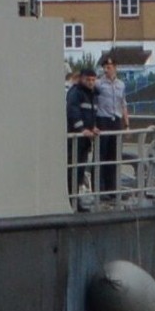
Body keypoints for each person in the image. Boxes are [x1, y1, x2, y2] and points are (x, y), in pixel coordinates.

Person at [95, 55, 129, 199]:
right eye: (105, 67)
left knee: (114, 156)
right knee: (102, 155)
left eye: (109, 67)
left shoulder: (120, 84)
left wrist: (126, 124)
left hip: (116, 120)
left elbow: (124, 104)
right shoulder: (98, 84)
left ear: (115, 68)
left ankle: (112, 188)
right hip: (103, 119)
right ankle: (100, 189)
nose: (107, 69)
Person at [66, 64, 99, 208]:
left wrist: (93, 127)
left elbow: (91, 113)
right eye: (88, 79)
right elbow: (73, 111)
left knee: (80, 168)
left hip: (85, 139)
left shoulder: (92, 94)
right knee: (74, 168)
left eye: (93, 80)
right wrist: (82, 129)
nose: (91, 82)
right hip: (76, 138)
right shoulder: (76, 93)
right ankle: (71, 199)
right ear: (82, 79)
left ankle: (76, 197)